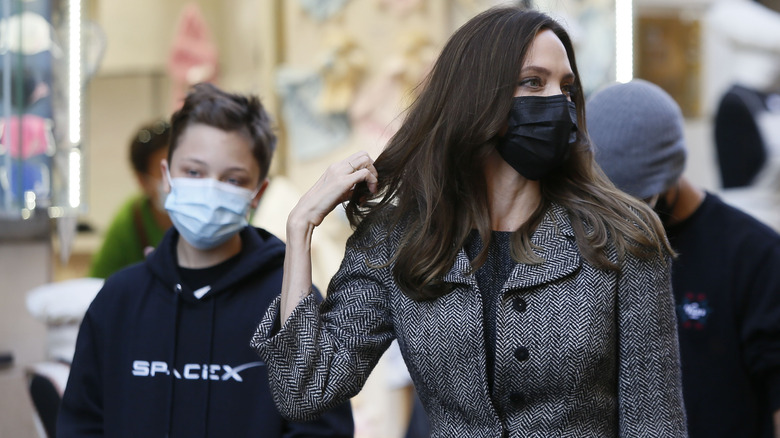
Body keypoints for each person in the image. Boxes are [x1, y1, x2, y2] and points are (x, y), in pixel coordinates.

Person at [251, 7, 687, 437]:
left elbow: (656, 424)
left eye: (567, 87)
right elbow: (304, 390)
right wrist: (300, 227)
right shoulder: (399, 240)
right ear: (478, 97)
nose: (558, 100)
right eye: (533, 82)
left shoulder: (623, 236)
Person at [58, 83, 354, 437]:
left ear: (256, 193)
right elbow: (81, 424)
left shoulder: (290, 302)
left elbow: (322, 431)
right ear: (167, 177)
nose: (210, 189)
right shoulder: (120, 300)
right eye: (194, 172)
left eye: (233, 179)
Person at [587, 79, 780, 438]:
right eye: (610, 204)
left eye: (640, 202)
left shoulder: (755, 256)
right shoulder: (591, 245)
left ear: (669, 174)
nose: (626, 219)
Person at [88, 119, 173, 278]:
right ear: (142, 180)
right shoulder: (129, 221)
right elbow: (97, 283)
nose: (174, 177)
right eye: (163, 170)